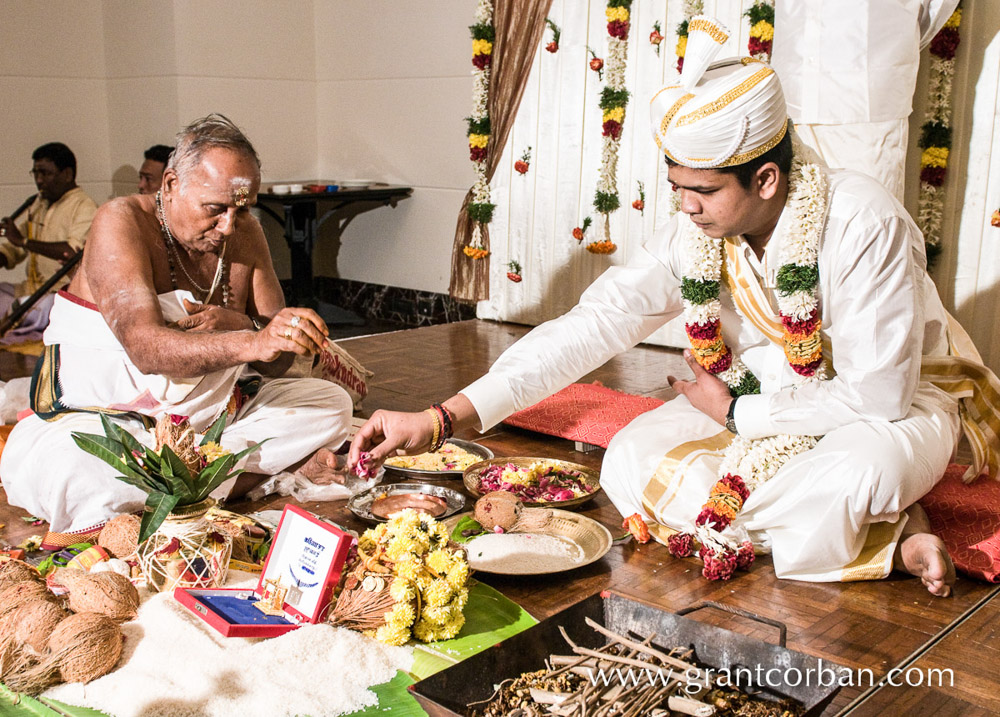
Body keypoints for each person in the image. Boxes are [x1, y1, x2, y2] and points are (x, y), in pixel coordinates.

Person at [350, 18, 1000, 598]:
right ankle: (880, 530)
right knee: (629, 459)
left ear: (766, 179)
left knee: (857, 474)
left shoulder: (863, 223)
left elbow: (880, 396)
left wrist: (738, 412)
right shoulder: (697, 231)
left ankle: (893, 522)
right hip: (765, 396)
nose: (685, 206)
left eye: (703, 190)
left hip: (888, 406)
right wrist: (443, 416)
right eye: (677, 187)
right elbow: (595, 323)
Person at [1, 114, 352, 546]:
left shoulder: (244, 232)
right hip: (109, 420)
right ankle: (232, 481)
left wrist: (252, 328)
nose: (228, 225)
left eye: (242, 208)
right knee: (78, 468)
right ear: (169, 185)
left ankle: (179, 487)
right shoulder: (121, 221)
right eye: (215, 209)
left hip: (206, 426)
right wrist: (250, 340)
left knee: (330, 404)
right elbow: (146, 350)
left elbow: (276, 362)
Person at [770, 0, 960, 201]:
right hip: (792, 94)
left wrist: (885, 52)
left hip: (864, 103)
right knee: (790, 222)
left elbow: (936, 7)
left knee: (869, 215)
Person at [0, 142, 97, 340]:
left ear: (67, 174)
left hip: (59, 292)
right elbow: (14, 248)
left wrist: (24, 241)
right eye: (35, 173)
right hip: (30, 289)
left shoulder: (85, 206)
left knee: (44, 307)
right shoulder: (38, 203)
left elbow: (70, 252)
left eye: (45, 173)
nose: (39, 180)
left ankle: (20, 315)